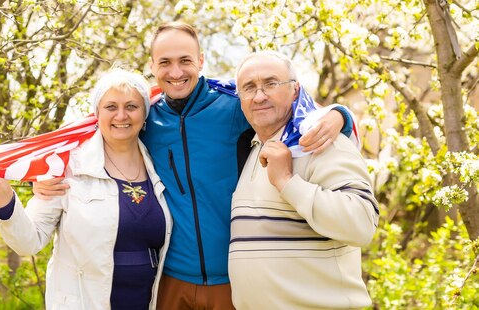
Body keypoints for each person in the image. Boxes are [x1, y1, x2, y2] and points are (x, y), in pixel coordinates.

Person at [34, 22, 357, 309]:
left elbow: (287, 107)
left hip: (232, 278)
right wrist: (43, 181)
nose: (176, 72)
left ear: (201, 61)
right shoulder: (144, 119)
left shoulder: (233, 107)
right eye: (165, 63)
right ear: (152, 67)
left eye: (185, 61)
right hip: (172, 279)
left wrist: (340, 115)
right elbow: (89, 139)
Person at [0, 68, 172, 310]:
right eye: (111, 107)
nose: (121, 115)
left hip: (148, 302)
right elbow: (29, 241)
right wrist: (1, 193)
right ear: (97, 113)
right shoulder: (67, 167)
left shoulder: (161, 164)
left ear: (144, 113)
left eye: (131, 106)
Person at [229, 50, 379, 309]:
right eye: (249, 88)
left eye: (271, 83)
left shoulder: (321, 143)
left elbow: (362, 223)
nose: (260, 96)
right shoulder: (252, 149)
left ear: (296, 91)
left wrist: (288, 182)